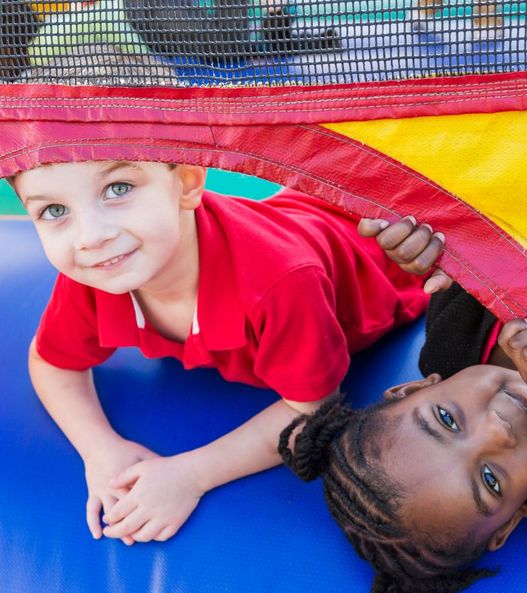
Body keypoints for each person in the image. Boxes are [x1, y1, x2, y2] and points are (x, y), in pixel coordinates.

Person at [12, 159, 448, 546]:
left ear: (187, 183)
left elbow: (314, 408)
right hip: (294, 211)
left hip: (383, 233)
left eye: (119, 189)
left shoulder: (283, 282)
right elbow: (50, 361)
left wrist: (190, 475)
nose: (90, 236)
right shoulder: (97, 270)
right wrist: (100, 450)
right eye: (54, 211)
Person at [279, 216, 527, 593]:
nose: (496, 431)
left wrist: (439, 243)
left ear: (415, 387)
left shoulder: (451, 336)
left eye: (448, 420)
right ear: (511, 521)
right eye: (490, 480)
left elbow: (486, 223)